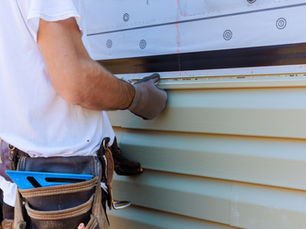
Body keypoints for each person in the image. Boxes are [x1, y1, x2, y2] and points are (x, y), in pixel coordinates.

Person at [0, 0, 167, 228]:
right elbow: (76, 82)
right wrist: (137, 98)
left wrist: (100, 136)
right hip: (61, 203)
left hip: (17, 193)